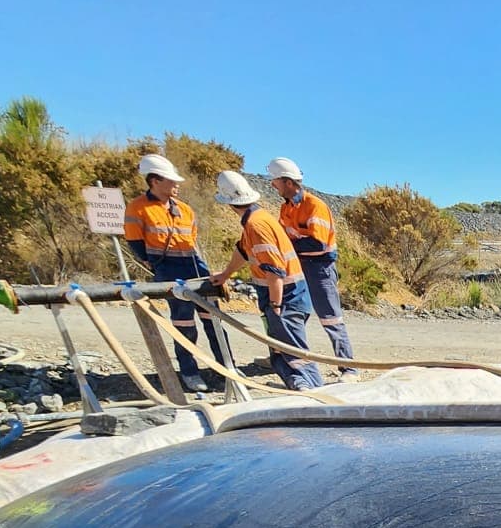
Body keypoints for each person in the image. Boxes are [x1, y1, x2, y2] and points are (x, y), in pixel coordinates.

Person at [207, 171, 325, 390]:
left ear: (230, 203)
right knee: (280, 352)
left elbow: (274, 271)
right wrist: (225, 275)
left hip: (287, 296)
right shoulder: (256, 219)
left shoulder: (256, 225)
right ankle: (299, 389)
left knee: (294, 354)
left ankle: (316, 395)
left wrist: (275, 306)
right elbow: (243, 250)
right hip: (284, 294)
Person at [122, 154, 218, 393]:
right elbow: (135, 242)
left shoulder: (184, 209)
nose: (176, 185)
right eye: (171, 181)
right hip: (167, 266)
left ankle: (227, 367)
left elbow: (192, 237)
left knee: (214, 318)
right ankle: (189, 371)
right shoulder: (138, 208)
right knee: (184, 322)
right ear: (154, 181)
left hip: (193, 264)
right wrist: (153, 263)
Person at [265, 156, 356, 371]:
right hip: (297, 267)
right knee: (292, 314)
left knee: (330, 318)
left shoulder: (315, 206)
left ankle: (348, 367)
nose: (273, 185)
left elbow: (318, 242)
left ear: (288, 182)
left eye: (275, 181)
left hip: (319, 268)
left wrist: (289, 247)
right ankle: (287, 358)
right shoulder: (286, 208)